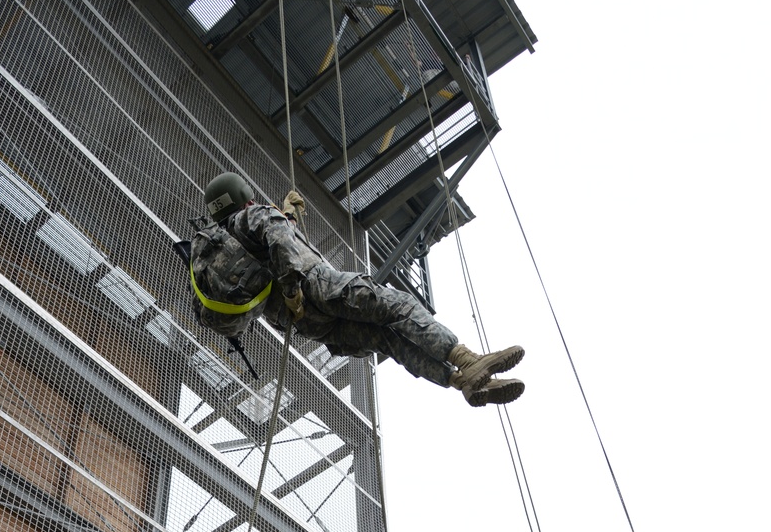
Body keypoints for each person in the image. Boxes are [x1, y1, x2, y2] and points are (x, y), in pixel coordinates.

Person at [190, 173, 525, 407]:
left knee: (389, 339)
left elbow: (272, 248)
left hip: (304, 323)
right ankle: (468, 360)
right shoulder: (253, 218)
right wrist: (292, 286)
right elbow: (278, 241)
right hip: (317, 286)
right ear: (243, 198)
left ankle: (459, 382)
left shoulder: (224, 243)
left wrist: (288, 215)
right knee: (398, 307)